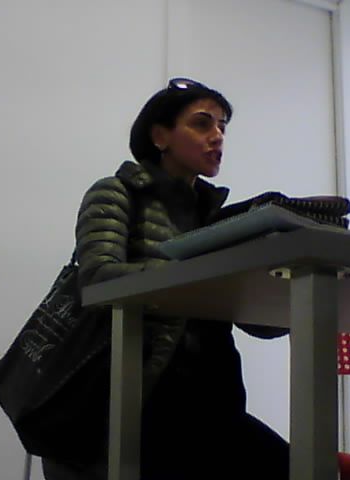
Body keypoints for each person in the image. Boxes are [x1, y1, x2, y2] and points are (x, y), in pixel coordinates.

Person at [41, 78, 290, 480]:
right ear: (160, 136)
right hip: (141, 392)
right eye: (202, 124)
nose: (217, 136)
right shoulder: (117, 193)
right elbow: (98, 279)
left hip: (213, 397)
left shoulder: (217, 217)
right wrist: (200, 274)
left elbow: (251, 319)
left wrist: (281, 292)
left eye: (222, 127)